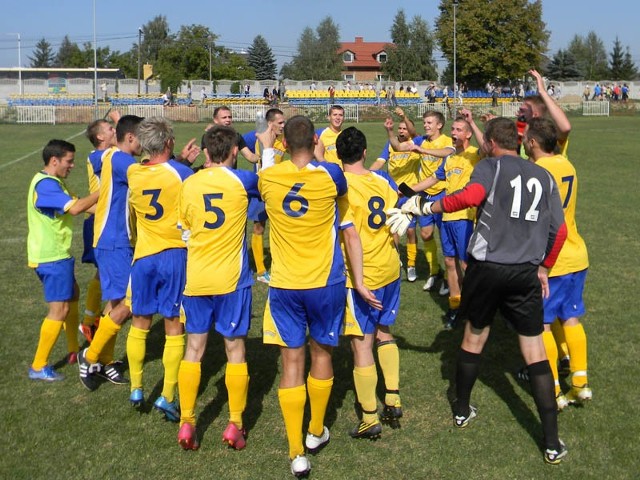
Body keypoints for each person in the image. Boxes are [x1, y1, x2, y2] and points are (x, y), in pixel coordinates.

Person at [392, 117, 569, 465]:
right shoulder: (543, 175)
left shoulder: (491, 166)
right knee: (534, 350)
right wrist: (544, 268)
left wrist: (424, 206)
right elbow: (558, 232)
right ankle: (551, 441)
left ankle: (461, 409)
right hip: (524, 273)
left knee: (474, 337)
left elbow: (471, 196)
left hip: (487, 269)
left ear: (489, 142)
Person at [258, 115, 381, 477]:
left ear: (284, 143)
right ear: (315, 139)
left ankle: (296, 451)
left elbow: (266, 171)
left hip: (284, 284)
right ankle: (315, 431)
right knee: (321, 353)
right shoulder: (331, 175)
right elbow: (339, 188)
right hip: (325, 283)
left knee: (291, 363)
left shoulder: (267, 178)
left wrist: (269, 150)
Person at [176, 125, 261, 451]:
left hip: (196, 278)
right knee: (234, 349)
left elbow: (184, 228)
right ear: (235, 152)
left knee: (194, 349)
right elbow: (264, 183)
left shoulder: (189, 183)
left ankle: (187, 421)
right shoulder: (243, 181)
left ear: (207, 152)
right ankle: (235, 424)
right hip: (232, 280)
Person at [336, 126, 404, 439]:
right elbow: (398, 224)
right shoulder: (382, 181)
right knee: (384, 331)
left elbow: (349, 235)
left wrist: (359, 280)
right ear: (365, 153)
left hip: (362, 276)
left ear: (339, 156)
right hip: (390, 268)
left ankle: (369, 416)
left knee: (361, 342)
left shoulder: (341, 187)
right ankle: (392, 395)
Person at [125, 117, 193, 420]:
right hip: (173, 255)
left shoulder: (133, 171)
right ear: (168, 142)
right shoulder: (182, 174)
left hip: (143, 257)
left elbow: (157, 170)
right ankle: (166, 395)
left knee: (139, 322)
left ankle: (136, 387)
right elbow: (177, 178)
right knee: (173, 325)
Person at [522, 118, 591, 410]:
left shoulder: (536, 173)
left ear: (534, 143)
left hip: (552, 260)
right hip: (577, 254)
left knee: (543, 325)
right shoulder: (566, 163)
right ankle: (580, 382)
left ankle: (554, 389)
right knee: (571, 318)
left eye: (526, 138)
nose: (523, 142)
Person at [77, 115, 144, 391]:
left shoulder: (114, 157)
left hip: (119, 240)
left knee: (116, 303)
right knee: (128, 304)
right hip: (113, 240)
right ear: (129, 138)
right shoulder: (115, 158)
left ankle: (102, 360)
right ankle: (90, 356)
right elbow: (148, 176)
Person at [27, 140, 99, 381]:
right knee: (60, 309)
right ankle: (38, 366)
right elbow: (77, 208)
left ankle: (71, 350)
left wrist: (111, 208)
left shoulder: (55, 183)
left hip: (58, 255)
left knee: (74, 294)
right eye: (69, 161)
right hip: (51, 257)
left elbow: (82, 205)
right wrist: (105, 190)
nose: (72, 165)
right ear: (54, 160)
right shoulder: (46, 186)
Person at [407, 118, 481, 330]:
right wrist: (406, 191)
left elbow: (487, 148)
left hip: (465, 216)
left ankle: (475, 307)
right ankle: (455, 306)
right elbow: (432, 180)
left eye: (459, 130)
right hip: (448, 215)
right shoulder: (450, 159)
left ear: (468, 134)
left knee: (467, 265)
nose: (454, 132)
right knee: (450, 262)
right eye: (453, 129)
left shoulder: (475, 154)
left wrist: (474, 124)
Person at [385, 111, 454, 294]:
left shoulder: (446, 141)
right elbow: (398, 147)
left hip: (443, 193)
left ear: (439, 125)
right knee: (425, 234)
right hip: (424, 194)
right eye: (425, 122)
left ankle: (449, 277)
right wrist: (390, 132)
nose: (426, 125)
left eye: (430, 122)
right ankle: (434, 273)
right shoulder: (420, 140)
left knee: (446, 237)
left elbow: (447, 152)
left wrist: (424, 150)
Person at [79, 111, 121, 344]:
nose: (115, 131)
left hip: (106, 221)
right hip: (100, 222)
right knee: (106, 274)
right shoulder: (101, 157)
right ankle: (90, 323)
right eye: (111, 129)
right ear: (100, 138)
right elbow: (131, 139)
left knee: (102, 273)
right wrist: (120, 119)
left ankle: (90, 321)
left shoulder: (109, 154)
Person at [370, 108, 421, 282]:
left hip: (409, 193)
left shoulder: (416, 143)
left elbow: (414, 132)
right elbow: (379, 162)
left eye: (404, 128)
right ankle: (397, 258)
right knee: (394, 229)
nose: (401, 131)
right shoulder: (390, 145)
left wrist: (404, 116)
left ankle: (412, 264)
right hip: (393, 193)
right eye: (399, 129)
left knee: (411, 230)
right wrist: (366, 174)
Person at [250, 108, 286, 284]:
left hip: (277, 188)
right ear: (269, 124)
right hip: (260, 189)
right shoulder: (260, 137)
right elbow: (238, 139)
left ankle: (281, 262)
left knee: (279, 225)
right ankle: (261, 270)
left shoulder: (282, 141)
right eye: (280, 123)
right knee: (259, 228)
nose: (283, 125)